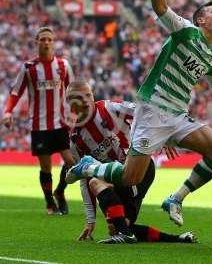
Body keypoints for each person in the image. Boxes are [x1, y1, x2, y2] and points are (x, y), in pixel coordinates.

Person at [66, 0, 212, 227]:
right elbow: (162, 9)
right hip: (153, 110)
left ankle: (175, 199)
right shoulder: (186, 31)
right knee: (130, 177)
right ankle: (89, 166)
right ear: (201, 20)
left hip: (178, 116)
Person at [66, 80, 196, 244]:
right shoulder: (76, 140)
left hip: (139, 169)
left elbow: (144, 112)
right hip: (118, 181)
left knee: (95, 182)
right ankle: (179, 239)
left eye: (88, 95)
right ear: (71, 103)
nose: (85, 100)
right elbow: (83, 180)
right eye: (79, 97)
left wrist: (165, 137)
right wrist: (90, 220)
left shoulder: (109, 108)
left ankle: (124, 232)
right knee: (119, 227)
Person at [0, 27, 75, 215]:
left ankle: (60, 192)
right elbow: (15, 92)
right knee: (46, 167)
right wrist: (8, 112)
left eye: (50, 39)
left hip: (61, 124)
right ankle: (50, 204)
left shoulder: (63, 66)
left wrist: (75, 112)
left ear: (54, 42)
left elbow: (73, 91)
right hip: (39, 126)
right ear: (37, 42)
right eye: (43, 39)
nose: (46, 42)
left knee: (70, 161)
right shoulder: (28, 68)